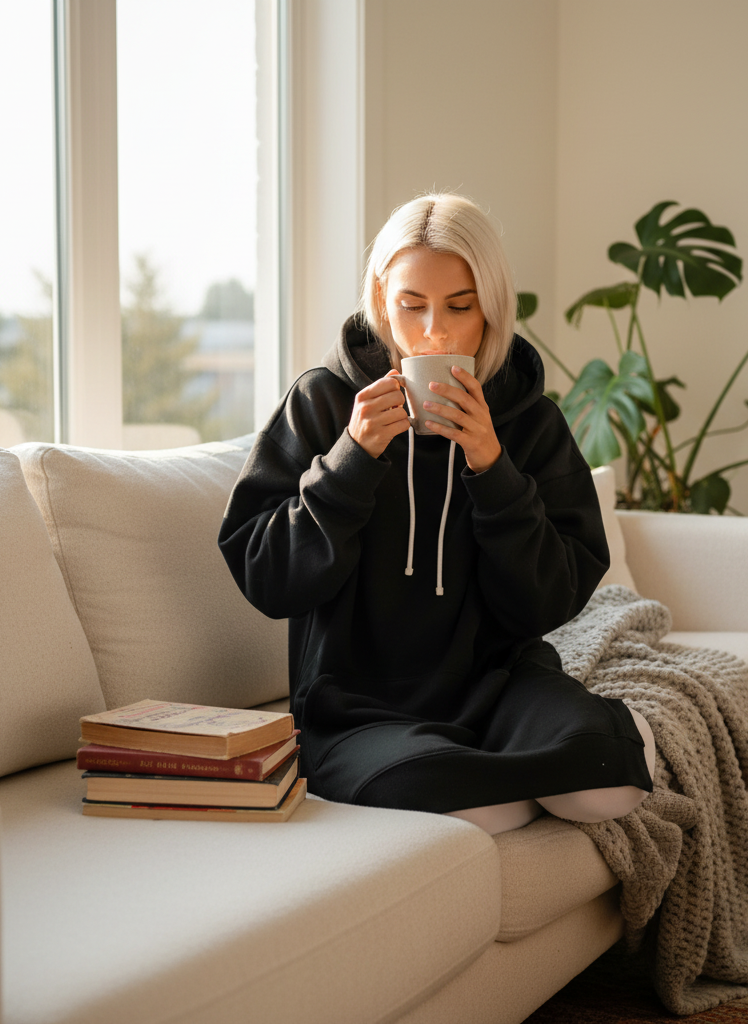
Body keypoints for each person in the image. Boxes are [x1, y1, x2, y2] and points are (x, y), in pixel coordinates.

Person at [218, 193, 655, 835]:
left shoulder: (530, 422)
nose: (435, 333)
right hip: (359, 708)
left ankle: (519, 772)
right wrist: (351, 461)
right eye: (410, 306)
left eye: (459, 306)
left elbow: (551, 600)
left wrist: (493, 468)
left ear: (492, 308)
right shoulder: (322, 403)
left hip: (502, 687)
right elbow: (269, 581)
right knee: (457, 785)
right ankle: (525, 778)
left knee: (608, 774)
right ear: (381, 303)